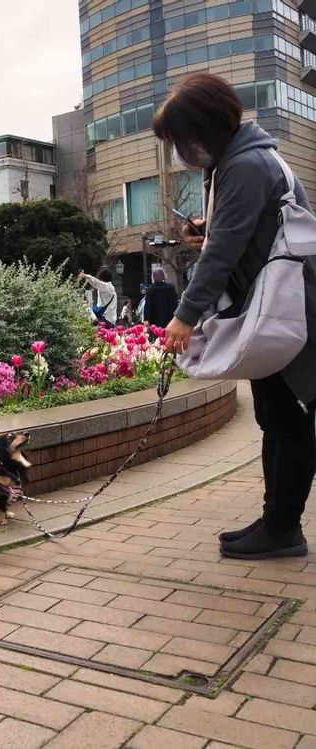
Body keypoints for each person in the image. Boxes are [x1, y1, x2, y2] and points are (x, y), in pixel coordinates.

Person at [156, 73, 316, 559]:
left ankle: (283, 527)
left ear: (206, 130)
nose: (182, 152)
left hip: (289, 314)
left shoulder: (244, 165)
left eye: (183, 140)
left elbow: (223, 253)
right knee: (275, 417)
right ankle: (276, 520)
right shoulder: (242, 159)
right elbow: (240, 233)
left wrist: (185, 316)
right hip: (276, 311)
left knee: (288, 420)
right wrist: (209, 227)